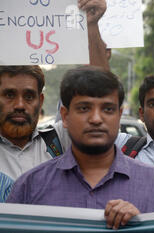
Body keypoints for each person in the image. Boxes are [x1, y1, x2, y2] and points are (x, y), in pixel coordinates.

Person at [7, 66, 154, 229]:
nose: (96, 118)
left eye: (107, 109)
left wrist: (142, 227)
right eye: (84, 108)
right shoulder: (29, 187)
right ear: (65, 117)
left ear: (119, 116)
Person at [0, 0, 110, 181]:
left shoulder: (59, 141)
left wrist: (91, 25)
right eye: (9, 95)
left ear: (40, 101)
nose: (20, 105)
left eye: (29, 96)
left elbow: (99, 95)